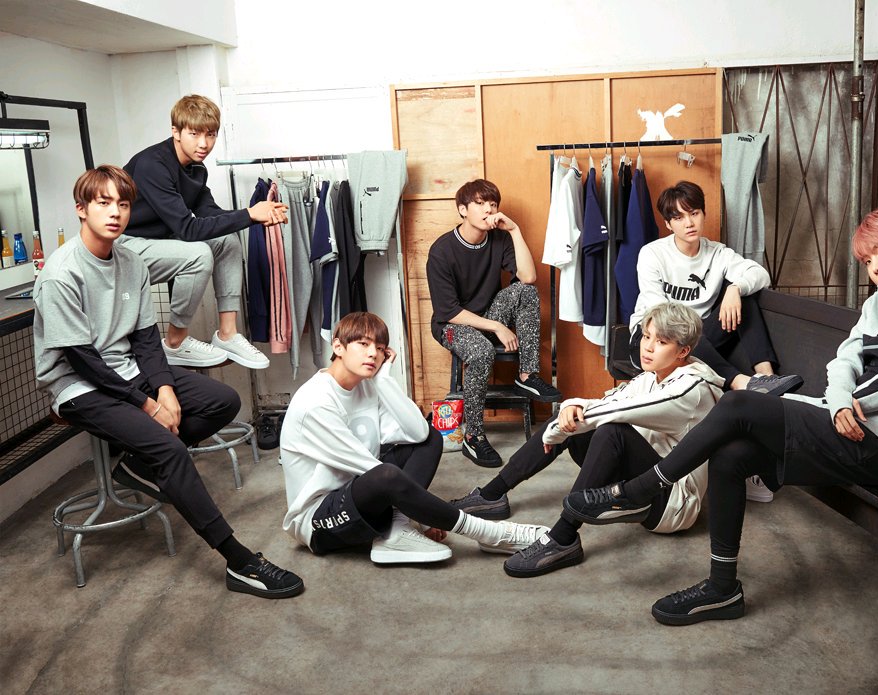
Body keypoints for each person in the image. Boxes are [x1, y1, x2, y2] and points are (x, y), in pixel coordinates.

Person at [563, 207, 878, 626]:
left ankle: (642, 489)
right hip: (846, 422)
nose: (875, 267)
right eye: (867, 260)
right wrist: (839, 400)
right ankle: (722, 589)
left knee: (738, 404)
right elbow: (843, 361)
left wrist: (845, 404)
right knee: (732, 455)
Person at [33, 165, 303, 599]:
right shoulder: (62, 274)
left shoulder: (131, 262)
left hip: (128, 371)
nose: (115, 213)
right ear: (81, 209)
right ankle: (240, 562)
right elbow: (82, 361)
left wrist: (164, 390)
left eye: (123, 204)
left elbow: (146, 340)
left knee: (222, 401)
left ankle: (139, 465)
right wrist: (148, 406)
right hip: (79, 386)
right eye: (103, 203)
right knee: (170, 450)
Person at [451, 302, 724, 578]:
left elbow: (616, 412)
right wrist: (571, 407)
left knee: (610, 430)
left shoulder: (692, 390)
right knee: (573, 417)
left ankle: (563, 538)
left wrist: (559, 427)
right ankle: (492, 495)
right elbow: (609, 401)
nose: (648, 347)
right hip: (637, 484)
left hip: (671, 502)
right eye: (646, 336)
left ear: (683, 351)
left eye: (661, 342)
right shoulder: (651, 377)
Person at [279, 311, 549, 564]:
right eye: (363, 344)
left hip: (359, 494)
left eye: (380, 348)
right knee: (385, 474)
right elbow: (368, 468)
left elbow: (418, 433)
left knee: (430, 438)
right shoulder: (316, 402)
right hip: (319, 522)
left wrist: (384, 380)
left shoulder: (367, 387)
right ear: (338, 347)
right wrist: (426, 516)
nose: (373, 354)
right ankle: (491, 534)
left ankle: (396, 532)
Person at [121, 94, 287, 369]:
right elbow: (187, 229)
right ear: (176, 131)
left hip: (159, 242)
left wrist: (258, 215)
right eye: (194, 134)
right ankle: (175, 343)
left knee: (227, 240)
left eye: (210, 135)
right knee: (198, 253)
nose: (204, 144)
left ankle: (227, 334)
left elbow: (210, 213)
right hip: (124, 247)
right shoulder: (153, 165)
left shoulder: (196, 168)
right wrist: (249, 214)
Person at [426, 179, 561, 467]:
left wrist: (514, 230)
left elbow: (528, 277)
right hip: (451, 325)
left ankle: (527, 376)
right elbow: (449, 311)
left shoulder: (499, 239)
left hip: (486, 316)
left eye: (493, 203)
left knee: (526, 291)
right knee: (481, 351)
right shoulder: (442, 250)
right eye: (480, 203)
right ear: (463, 209)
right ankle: (473, 437)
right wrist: (498, 327)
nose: (489, 208)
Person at [630, 180, 802, 398]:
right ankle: (741, 383)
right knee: (684, 333)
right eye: (679, 218)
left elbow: (760, 274)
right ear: (668, 224)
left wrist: (735, 288)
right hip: (652, 338)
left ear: (703, 214)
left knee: (745, 297)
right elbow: (659, 313)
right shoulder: (653, 254)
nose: (689, 223)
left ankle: (767, 377)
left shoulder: (718, 253)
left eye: (694, 213)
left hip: (699, 337)